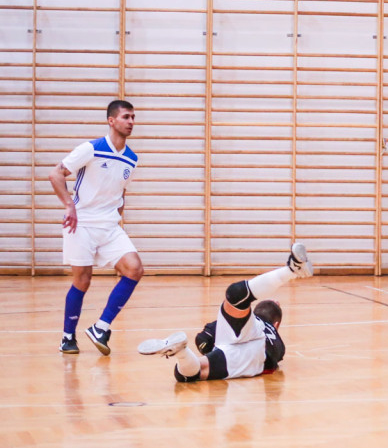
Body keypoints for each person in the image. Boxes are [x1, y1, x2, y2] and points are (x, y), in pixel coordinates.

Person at [138, 243, 313, 382]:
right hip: (255, 355)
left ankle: (290, 270)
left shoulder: (253, 320)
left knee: (235, 296)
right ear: (277, 324)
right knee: (188, 374)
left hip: (241, 341)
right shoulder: (278, 341)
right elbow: (272, 363)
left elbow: (203, 338)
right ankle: (181, 353)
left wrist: (210, 349)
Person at [49, 99, 143, 355]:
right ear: (111, 120)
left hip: (110, 226)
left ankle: (101, 327)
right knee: (83, 280)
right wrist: (69, 206)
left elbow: (121, 194)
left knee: (134, 269)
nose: (131, 122)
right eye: (126, 117)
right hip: (82, 223)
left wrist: (117, 217)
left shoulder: (132, 159)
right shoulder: (91, 148)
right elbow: (56, 174)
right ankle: (68, 337)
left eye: (133, 117)